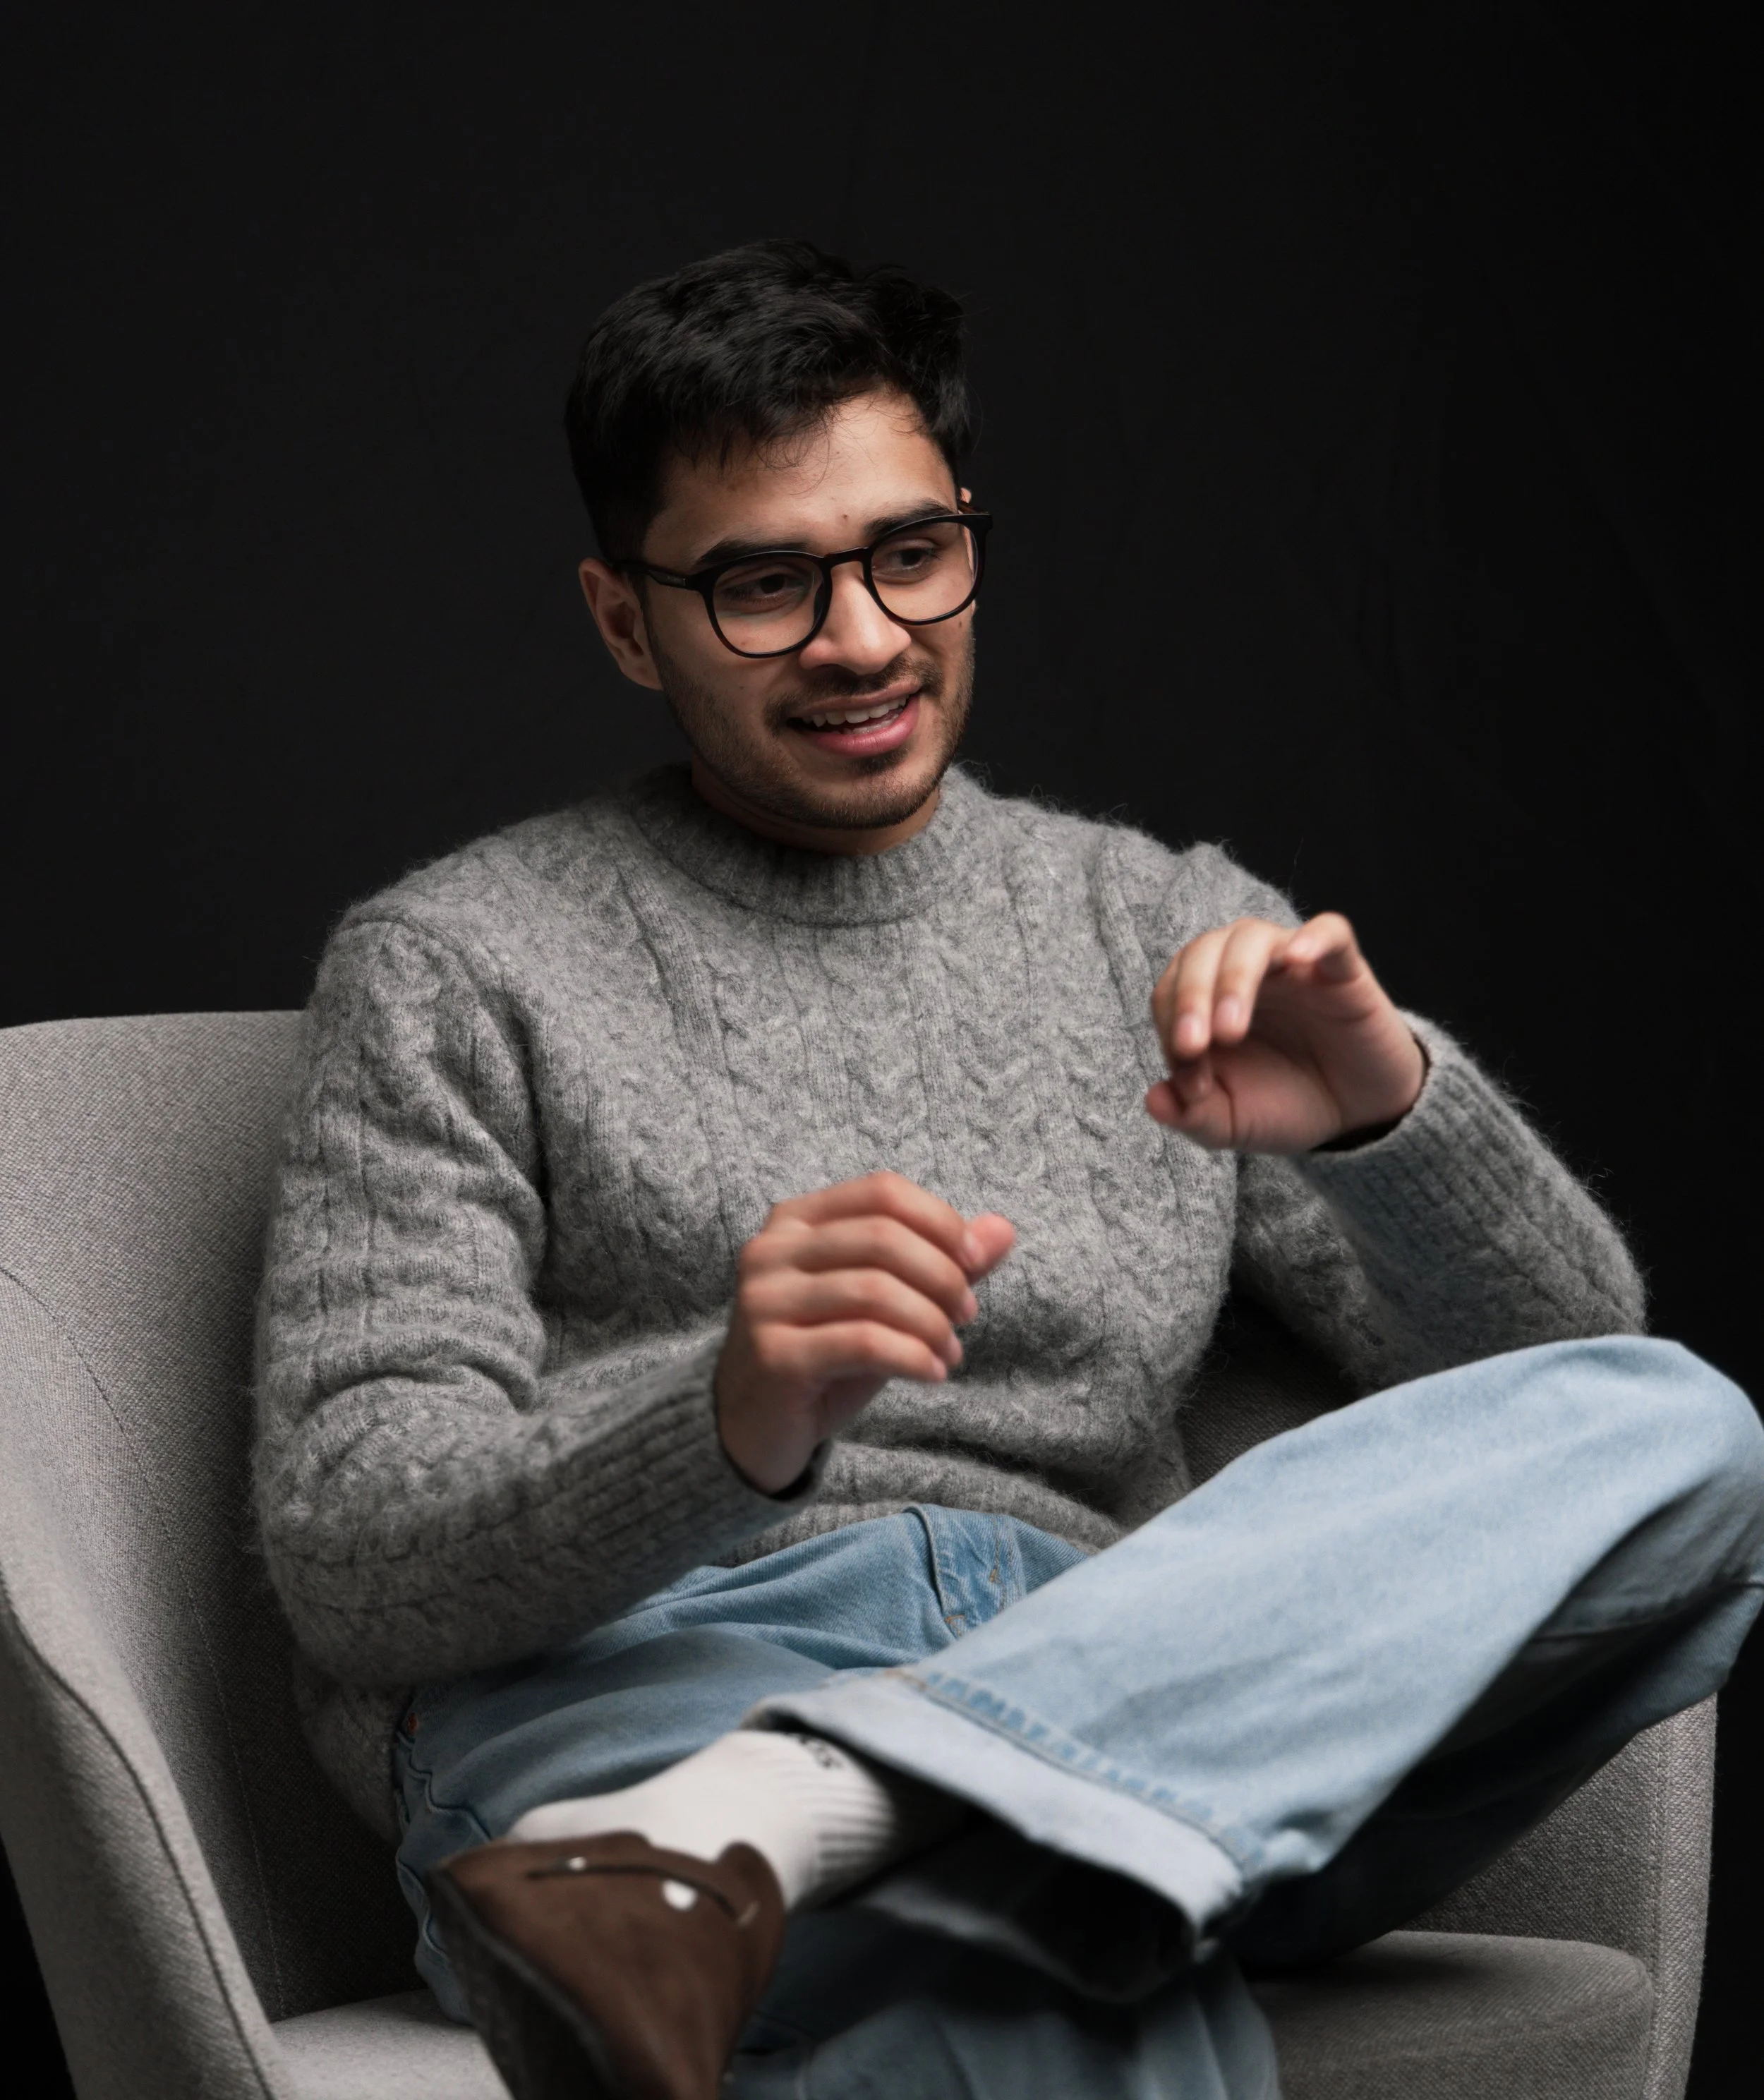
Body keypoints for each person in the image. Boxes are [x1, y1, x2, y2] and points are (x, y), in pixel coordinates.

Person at [253, 239, 1764, 2100]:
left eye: (908, 551)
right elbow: (351, 1566)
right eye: (759, 584)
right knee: (1056, 1983)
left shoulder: (1156, 918)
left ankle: (790, 1824)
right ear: (623, 618)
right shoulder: (456, 964)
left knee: (1674, 1432)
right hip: (660, 1688)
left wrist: (1386, 1123)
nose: (864, 637)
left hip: (1146, 1692)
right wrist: (722, 1413)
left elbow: (1551, 1387)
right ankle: (786, 1829)